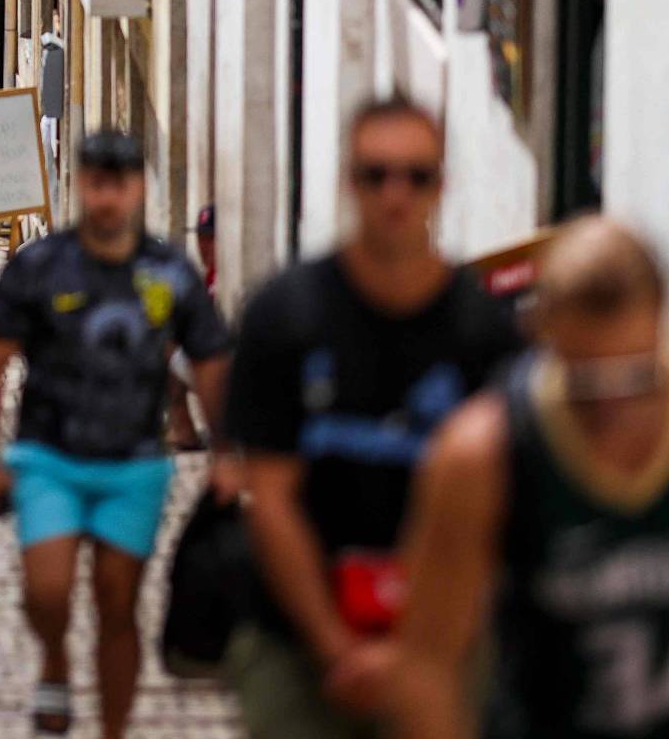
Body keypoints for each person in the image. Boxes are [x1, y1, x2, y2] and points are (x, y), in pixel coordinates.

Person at [223, 96, 523, 737]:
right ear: (348, 182)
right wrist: (338, 648)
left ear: (441, 186)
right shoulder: (284, 316)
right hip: (298, 638)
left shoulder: (485, 335)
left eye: (416, 176)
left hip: (443, 642)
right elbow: (271, 500)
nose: (396, 195)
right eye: (375, 174)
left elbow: (495, 520)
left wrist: (415, 652)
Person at [391, 218, 669, 739]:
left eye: (636, 379)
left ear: (664, 329)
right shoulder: (485, 451)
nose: (613, 406)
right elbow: (428, 663)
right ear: (543, 339)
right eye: (586, 387)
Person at [0, 130, 233, 739]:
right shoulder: (39, 266)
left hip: (136, 462)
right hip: (47, 455)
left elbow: (213, 364)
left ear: (140, 187)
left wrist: (228, 452)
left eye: (119, 185)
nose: (106, 198)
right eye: (95, 184)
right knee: (49, 590)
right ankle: (55, 658)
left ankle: (114, 730)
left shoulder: (169, 271)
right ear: (80, 185)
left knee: (119, 604)